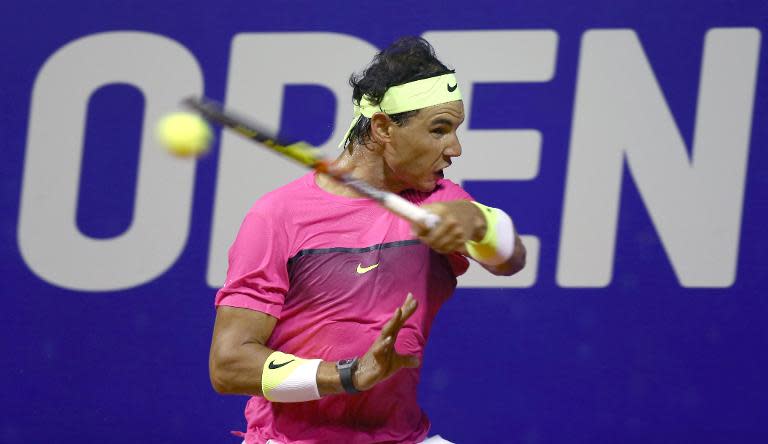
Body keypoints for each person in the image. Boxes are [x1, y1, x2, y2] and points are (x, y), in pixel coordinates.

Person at [209, 36, 526, 444]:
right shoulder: (277, 217)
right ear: (382, 128)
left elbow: (511, 258)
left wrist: (477, 221)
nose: (455, 149)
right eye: (439, 130)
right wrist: (348, 375)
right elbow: (228, 364)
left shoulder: (440, 200)